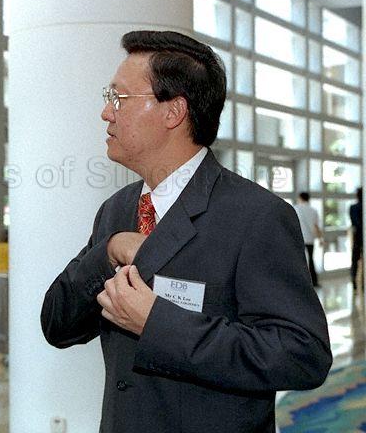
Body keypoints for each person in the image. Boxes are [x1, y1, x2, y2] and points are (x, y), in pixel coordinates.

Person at [41, 30, 331, 433]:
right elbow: (57, 324)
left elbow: (302, 355)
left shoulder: (256, 216)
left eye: (119, 99)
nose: (107, 113)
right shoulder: (118, 210)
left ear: (173, 112)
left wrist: (158, 324)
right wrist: (106, 252)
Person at [294, 191, 323, 287]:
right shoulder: (313, 210)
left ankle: (301, 283)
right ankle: (314, 282)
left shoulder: (296, 208)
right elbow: (315, 226)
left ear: (300, 198)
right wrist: (320, 239)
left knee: (299, 261)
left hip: (299, 239)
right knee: (311, 260)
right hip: (310, 239)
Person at [350, 187, 363, 290]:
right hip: (361, 236)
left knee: (355, 260)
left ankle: (354, 280)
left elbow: (354, 223)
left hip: (357, 236)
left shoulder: (353, 207)